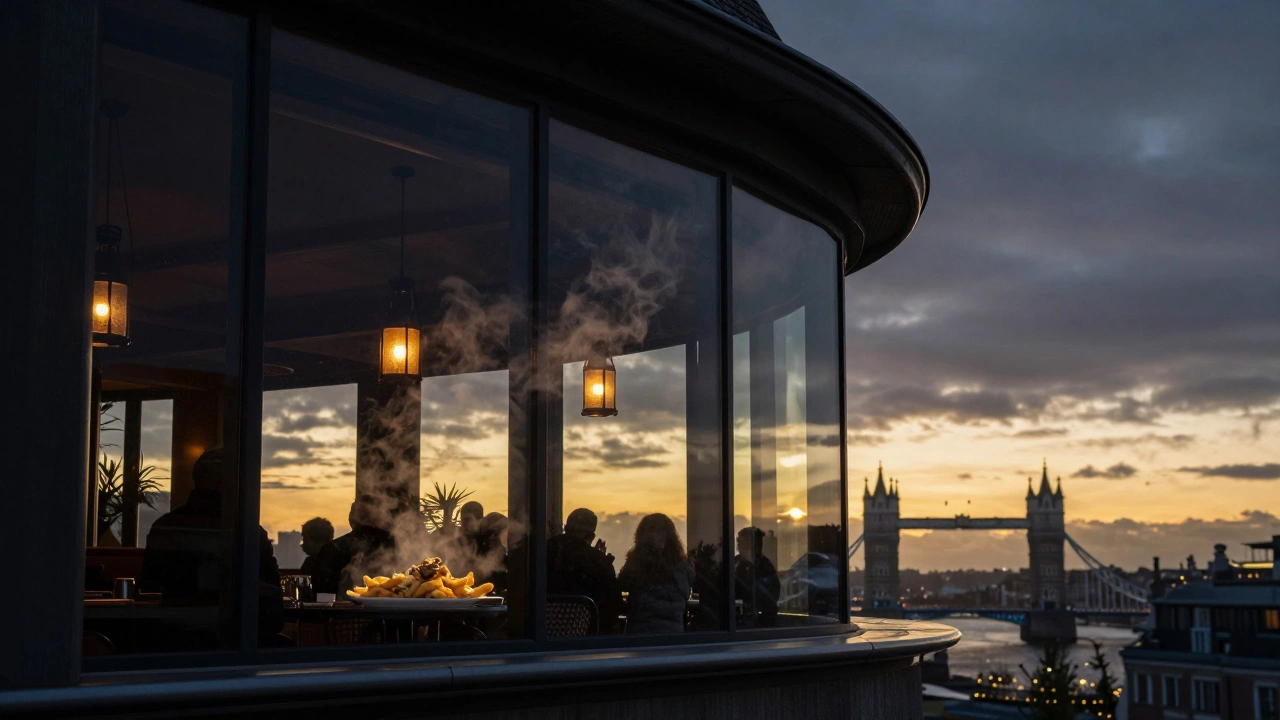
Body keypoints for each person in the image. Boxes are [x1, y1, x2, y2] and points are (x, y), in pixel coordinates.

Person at [139, 448, 283, 647]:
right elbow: (273, 602)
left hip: (176, 643)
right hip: (241, 641)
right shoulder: (249, 531)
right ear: (226, 485)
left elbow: (148, 585)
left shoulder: (166, 526)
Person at [547, 508, 621, 632]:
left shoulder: (543, 551)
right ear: (591, 536)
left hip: (543, 632)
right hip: (584, 636)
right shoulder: (598, 561)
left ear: (566, 528)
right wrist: (602, 559)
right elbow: (615, 603)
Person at [617, 513, 693, 634]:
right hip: (673, 634)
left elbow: (622, 584)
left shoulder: (636, 562)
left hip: (640, 634)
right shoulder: (682, 566)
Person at [310, 494, 397, 595]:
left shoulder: (332, 549)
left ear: (352, 519)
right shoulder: (397, 546)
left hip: (342, 609)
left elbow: (321, 592)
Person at [734, 527, 779, 627]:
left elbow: (772, 593)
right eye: (739, 542)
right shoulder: (736, 563)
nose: (739, 545)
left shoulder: (764, 566)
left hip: (762, 622)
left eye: (743, 542)